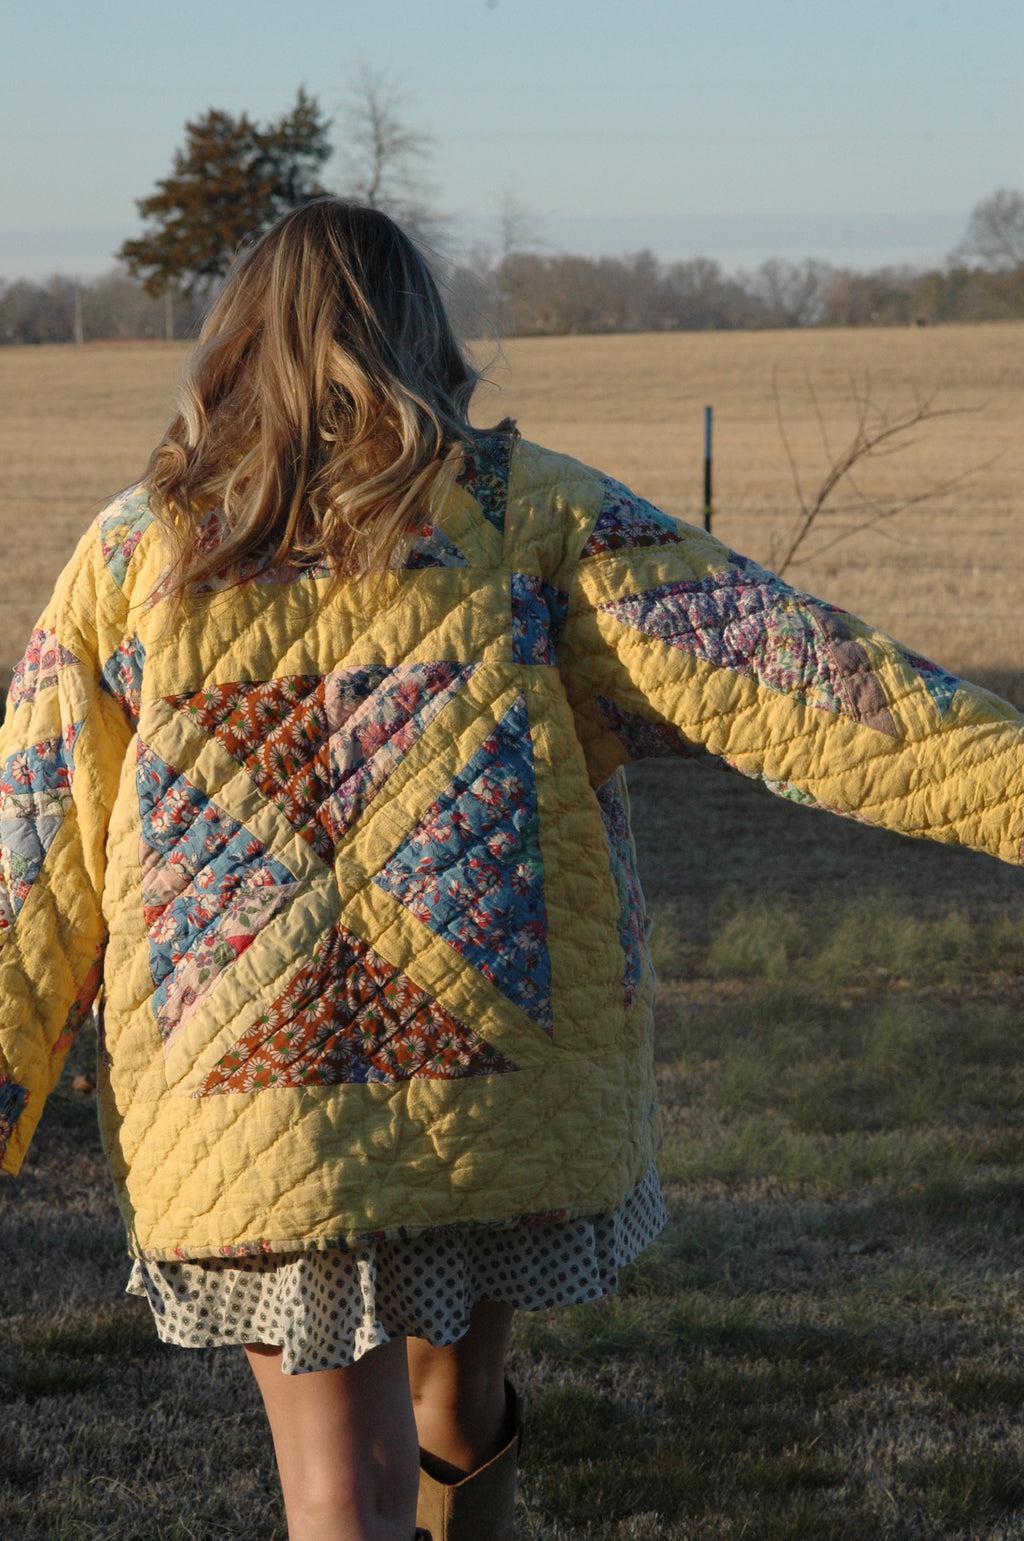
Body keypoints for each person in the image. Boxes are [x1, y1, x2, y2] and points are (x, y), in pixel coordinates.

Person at [1, 198, 1023, 1541]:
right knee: (459, 1397)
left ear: (234, 343)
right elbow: (807, 681)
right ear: (420, 337)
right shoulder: (530, 515)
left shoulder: (137, 552)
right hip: (492, 1060)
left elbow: (30, 863)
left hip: (243, 1095)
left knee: (337, 1490)